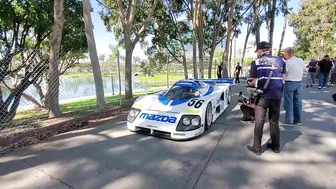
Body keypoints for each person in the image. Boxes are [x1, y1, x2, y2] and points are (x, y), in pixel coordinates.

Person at [246, 41, 286, 155]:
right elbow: (284, 79)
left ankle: (257, 148)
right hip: (277, 95)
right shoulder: (281, 61)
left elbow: (253, 82)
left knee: (259, 122)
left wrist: (250, 88)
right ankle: (276, 147)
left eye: (257, 51)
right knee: (274, 121)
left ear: (260, 50)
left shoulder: (256, 62)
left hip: (263, 96)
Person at [281, 47, 305, 127]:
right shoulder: (300, 60)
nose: (284, 55)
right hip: (298, 82)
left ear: (288, 54)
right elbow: (303, 69)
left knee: (288, 102)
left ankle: (289, 120)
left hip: (290, 82)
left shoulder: (287, 62)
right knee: (298, 101)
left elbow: (285, 72)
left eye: (285, 53)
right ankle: (298, 119)